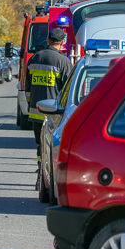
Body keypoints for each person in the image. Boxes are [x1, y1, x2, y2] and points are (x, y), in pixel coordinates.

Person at [25, 27, 73, 164]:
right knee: (52, 145)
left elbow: (27, 90)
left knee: (40, 145)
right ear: (62, 42)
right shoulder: (64, 62)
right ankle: (49, 169)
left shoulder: (34, 58)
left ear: (47, 40)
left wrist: (31, 105)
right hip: (54, 114)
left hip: (35, 112)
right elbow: (68, 91)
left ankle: (40, 167)